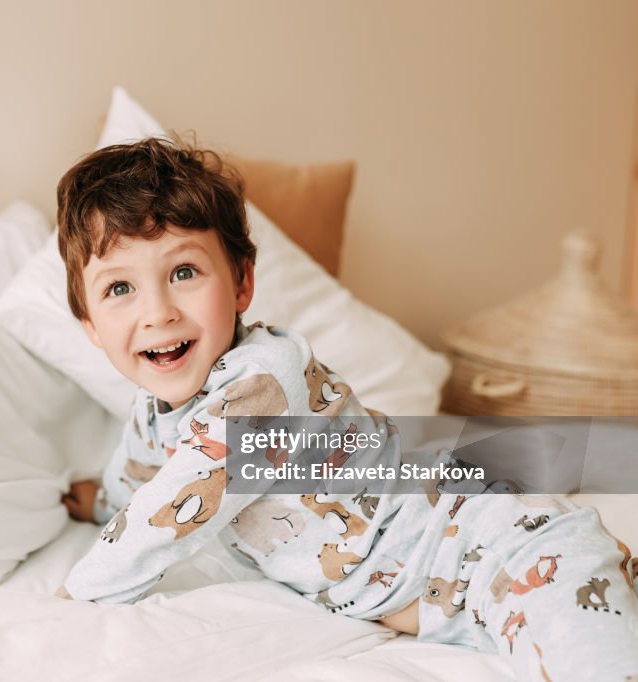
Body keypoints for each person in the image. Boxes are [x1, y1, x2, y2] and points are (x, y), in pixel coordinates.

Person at [53, 135, 638, 680]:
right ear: (91, 327)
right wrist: (102, 501)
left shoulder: (264, 382)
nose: (158, 312)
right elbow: (143, 475)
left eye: (184, 272)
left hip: (497, 535)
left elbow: (173, 510)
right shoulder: (152, 407)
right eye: (119, 288)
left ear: (240, 286)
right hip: (458, 590)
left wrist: (75, 597)